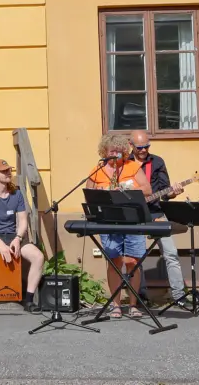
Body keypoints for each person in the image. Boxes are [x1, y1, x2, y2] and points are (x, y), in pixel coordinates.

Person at [86, 133, 152, 318]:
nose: (116, 154)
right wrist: (100, 190)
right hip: (108, 220)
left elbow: (147, 189)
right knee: (114, 261)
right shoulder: (97, 169)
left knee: (132, 261)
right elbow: (88, 192)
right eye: (112, 151)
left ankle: (133, 305)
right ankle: (115, 305)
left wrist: (127, 187)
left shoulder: (132, 166)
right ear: (105, 152)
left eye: (119, 151)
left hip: (132, 218)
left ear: (124, 151)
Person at [0, 159, 45, 312]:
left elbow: (23, 221)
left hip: (14, 235)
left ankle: (29, 299)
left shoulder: (17, 194)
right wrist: (1, 245)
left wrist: (18, 238)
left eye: (9, 170)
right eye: (4, 171)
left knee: (38, 257)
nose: (9, 173)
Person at [129, 130, 189, 309]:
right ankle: (140, 295)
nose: (143, 150)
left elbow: (165, 193)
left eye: (146, 146)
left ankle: (179, 295)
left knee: (171, 254)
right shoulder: (125, 163)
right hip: (134, 215)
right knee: (135, 257)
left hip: (156, 212)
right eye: (139, 147)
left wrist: (174, 191)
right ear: (131, 145)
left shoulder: (157, 162)